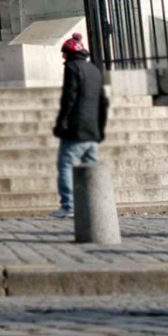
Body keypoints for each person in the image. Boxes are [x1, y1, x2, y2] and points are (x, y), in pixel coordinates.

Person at [49, 33, 108, 219]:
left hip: (76, 127)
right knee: (92, 167)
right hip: (92, 129)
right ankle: (97, 203)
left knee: (65, 163)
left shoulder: (72, 68)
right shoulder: (94, 69)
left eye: (64, 54)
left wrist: (61, 123)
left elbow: (69, 98)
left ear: (69, 53)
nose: (62, 57)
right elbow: (103, 102)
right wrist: (101, 128)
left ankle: (69, 205)